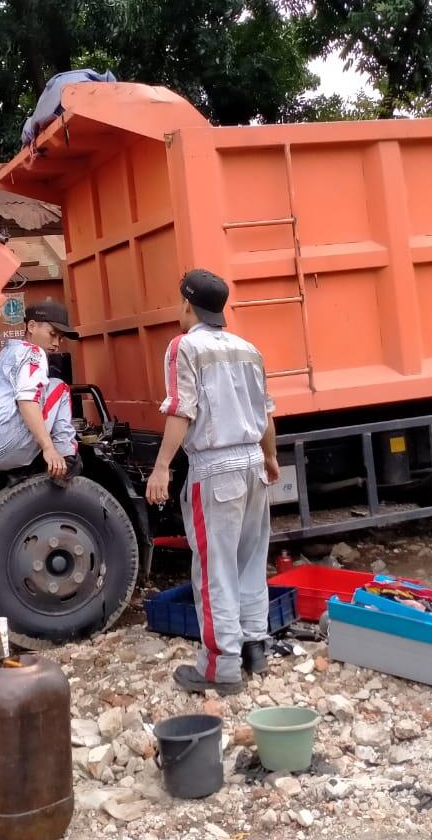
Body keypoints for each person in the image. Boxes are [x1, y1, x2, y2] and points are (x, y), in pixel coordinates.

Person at [146, 269, 279, 694]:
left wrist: (162, 466)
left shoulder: (184, 347)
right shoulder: (248, 349)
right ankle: (255, 648)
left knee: (213, 569)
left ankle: (219, 669)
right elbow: (267, 415)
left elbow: (181, 410)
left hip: (215, 469)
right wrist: (271, 457)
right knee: (251, 559)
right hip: (254, 463)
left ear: (187, 305)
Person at [0, 299, 80, 479]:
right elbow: (27, 400)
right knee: (60, 388)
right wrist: (48, 449)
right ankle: (66, 457)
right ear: (31, 326)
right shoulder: (33, 353)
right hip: (6, 447)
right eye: (52, 334)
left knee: (50, 385)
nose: (56, 343)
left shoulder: (11, 350)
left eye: (60, 338)